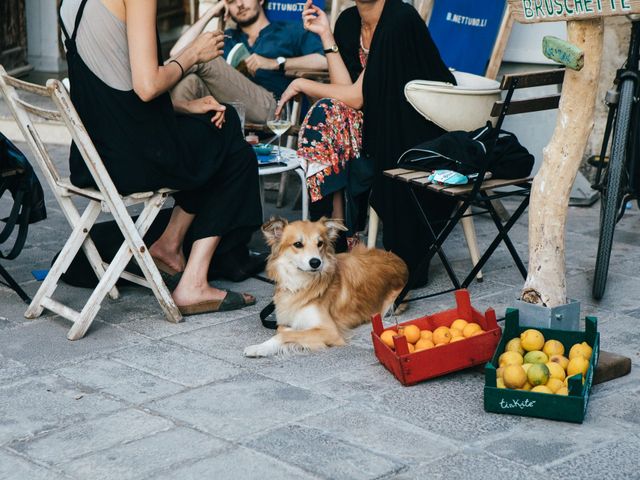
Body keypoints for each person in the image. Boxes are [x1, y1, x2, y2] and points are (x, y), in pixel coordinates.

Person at [59, 0, 263, 314]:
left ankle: (170, 245)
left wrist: (184, 106)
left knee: (212, 137)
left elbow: (113, 84)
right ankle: (191, 279)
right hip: (130, 160)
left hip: (92, 156)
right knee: (229, 135)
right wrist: (193, 54)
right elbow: (146, 86)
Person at [278, 0, 457, 281]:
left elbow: (357, 97)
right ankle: (336, 234)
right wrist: (326, 36)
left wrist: (301, 83)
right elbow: (346, 91)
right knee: (328, 113)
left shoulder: (399, 19)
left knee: (326, 113)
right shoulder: (349, 21)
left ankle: (335, 235)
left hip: (412, 126)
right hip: (371, 122)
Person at [170, 0, 327, 124]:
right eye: (231, 1)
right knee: (190, 82)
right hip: (228, 109)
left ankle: (154, 82)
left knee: (203, 58)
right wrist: (211, 12)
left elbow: (324, 61)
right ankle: (174, 156)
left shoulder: (289, 30)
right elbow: (176, 53)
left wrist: (276, 62)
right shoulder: (226, 37)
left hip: (273, 108)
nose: (239, 4)